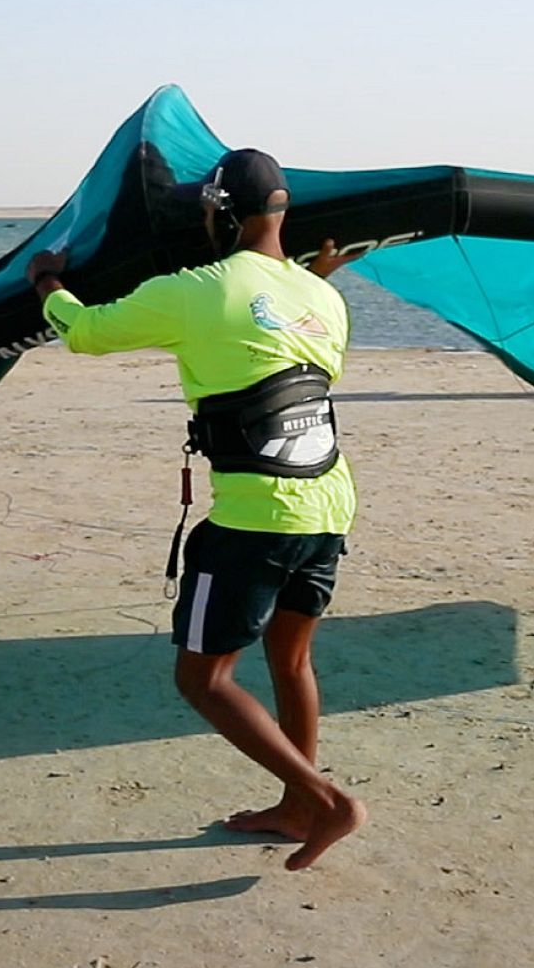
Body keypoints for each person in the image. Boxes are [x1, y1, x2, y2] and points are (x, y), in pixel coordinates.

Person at [26, 148, 367, 871]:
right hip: (331, 503)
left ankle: (325, 798)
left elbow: (85, 333)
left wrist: (50, 284)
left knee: (202, 678)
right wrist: (309, 286)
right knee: (291, 656)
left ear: (220, 212)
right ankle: (297, 805)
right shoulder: (327, 297)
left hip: (255, 516)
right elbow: (295, 359)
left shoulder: (195, 288)